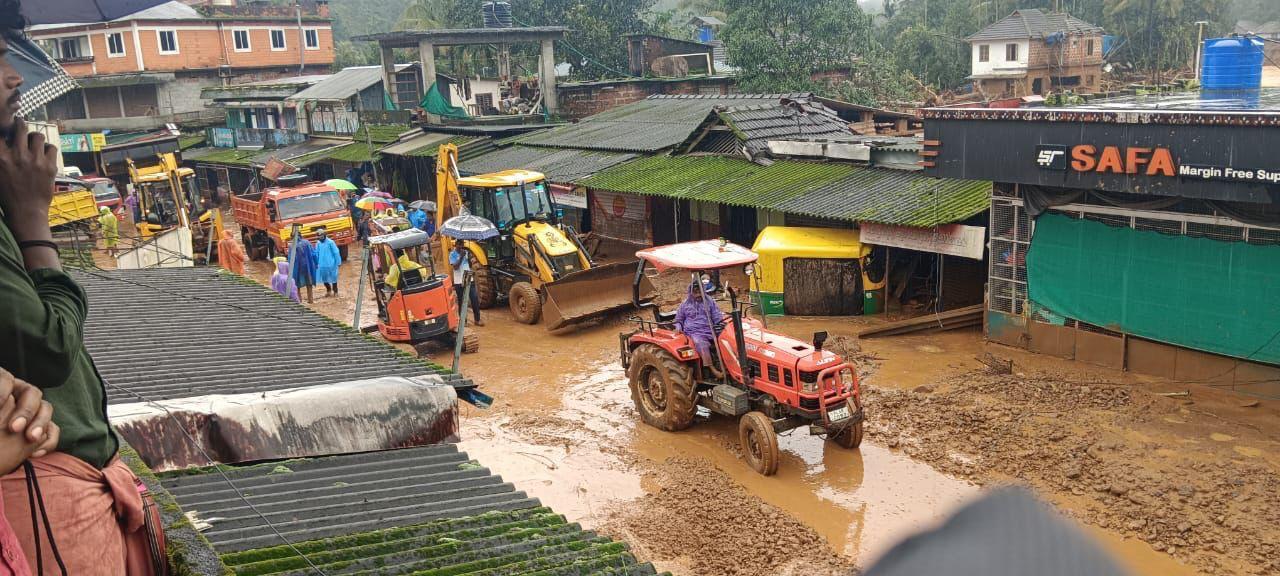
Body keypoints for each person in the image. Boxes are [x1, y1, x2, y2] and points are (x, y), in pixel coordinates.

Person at [0, 3, 160, 572]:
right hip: (45, 497)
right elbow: (46, 347)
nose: (15, 77)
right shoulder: (18, 216)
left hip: (65, 482)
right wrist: (33, 221)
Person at [673, 280, 723, 375]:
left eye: (700, 291)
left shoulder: (710, 301)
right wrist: (678, 327)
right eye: (695, 292)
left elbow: (717, 316)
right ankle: (712, 369)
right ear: (691, 292)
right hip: (694, 332)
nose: (698, 294)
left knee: (725, 340)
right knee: (701, 344)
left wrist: (720, 326)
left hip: (709, 329)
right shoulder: (685, 304)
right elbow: (679, 319)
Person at [449, 241, 483, 326]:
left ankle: (477, 320)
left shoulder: (466, 253)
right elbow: (455, 267)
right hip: (459, 282)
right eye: (460, 245)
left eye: (462, 245)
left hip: (468, 279)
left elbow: (470, 265)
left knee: (474, 299)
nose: (462, 246)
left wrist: (468, 259)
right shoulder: (452, 254)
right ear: (456, 245)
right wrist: (461, 257)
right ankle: (464, 321)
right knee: (461, 301)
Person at [288, 224, 317, 304]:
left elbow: (290, 260)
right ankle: (311, 301)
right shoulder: (307, 242)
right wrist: (316, 264)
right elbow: (314, 254)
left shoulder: (291, 246)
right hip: (308, 267)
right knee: (309, 284)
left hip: (297, 269)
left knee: (297, 286)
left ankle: (299, 302)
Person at [313, 226, 341, 297]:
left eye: (321, 236)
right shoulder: (318, 243)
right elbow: (316, 253)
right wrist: (316, 262)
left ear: (325, 235)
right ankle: (328, 290)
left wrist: (338, 262)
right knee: (324, 278)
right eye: (319, 237)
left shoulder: (330, 242)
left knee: (333, 278)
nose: (320, 238)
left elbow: (336, 252)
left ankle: (335, 291)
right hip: (322, 264)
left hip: (332, 264)